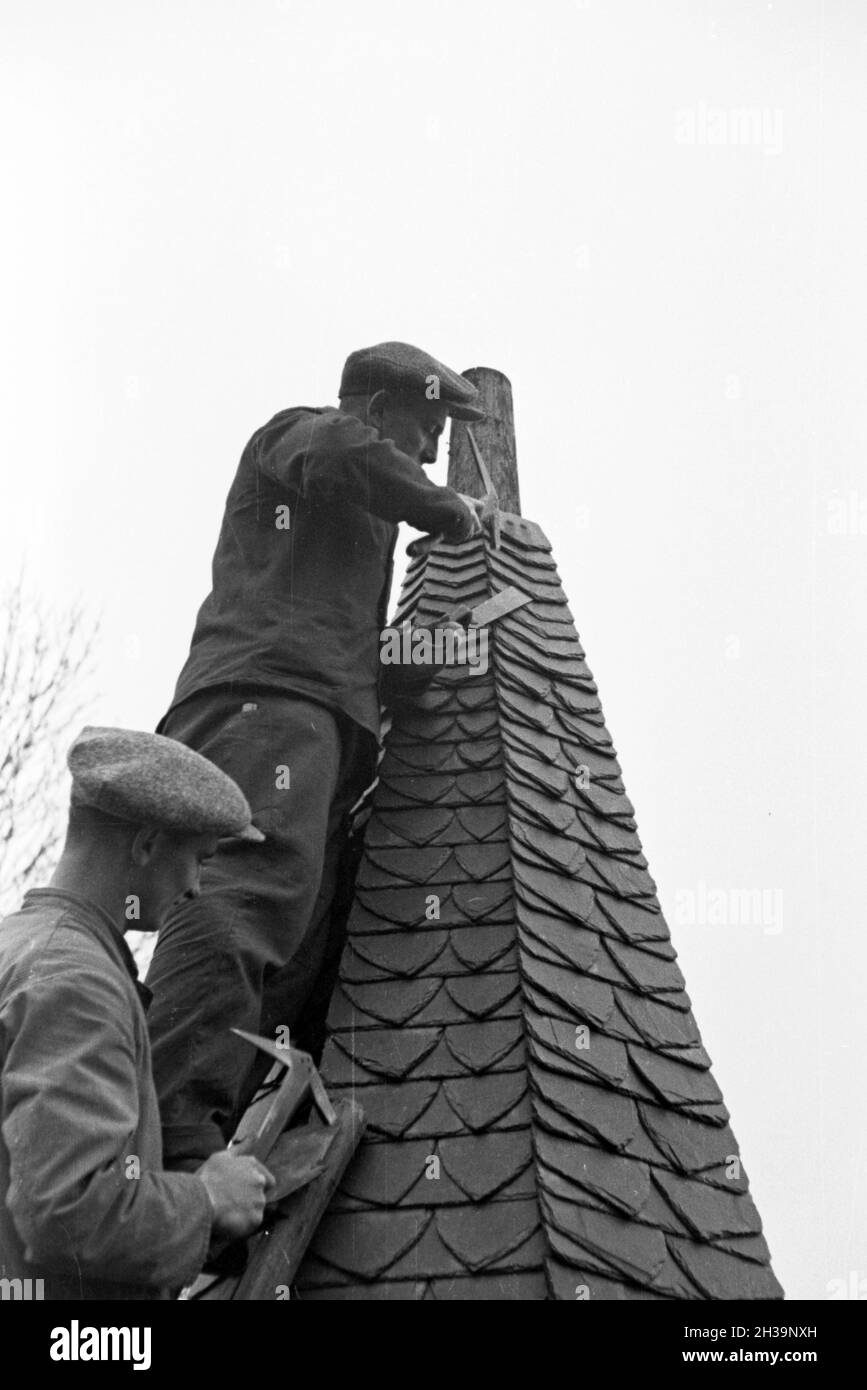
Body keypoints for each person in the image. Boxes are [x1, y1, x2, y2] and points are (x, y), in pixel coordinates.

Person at [145, 341, 487, 1166]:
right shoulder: (299, 437)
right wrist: (452, 511)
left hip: (316, 722)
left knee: (294, 947)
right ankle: (168, 1139)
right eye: (425, 427)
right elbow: (339, 453)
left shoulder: (357, 515)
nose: (432, 452)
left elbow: (353, 652)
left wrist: (428, 656)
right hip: (265, 706)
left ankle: (212, 1143)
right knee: (245, 898)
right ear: (373, 411)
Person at [0, 726, 275, 1300]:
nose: (198, 888)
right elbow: (65, 1209)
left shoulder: (22, 947)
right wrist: (206, 1200)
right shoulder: (78, 982)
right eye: (198, 859)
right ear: (146, 845)